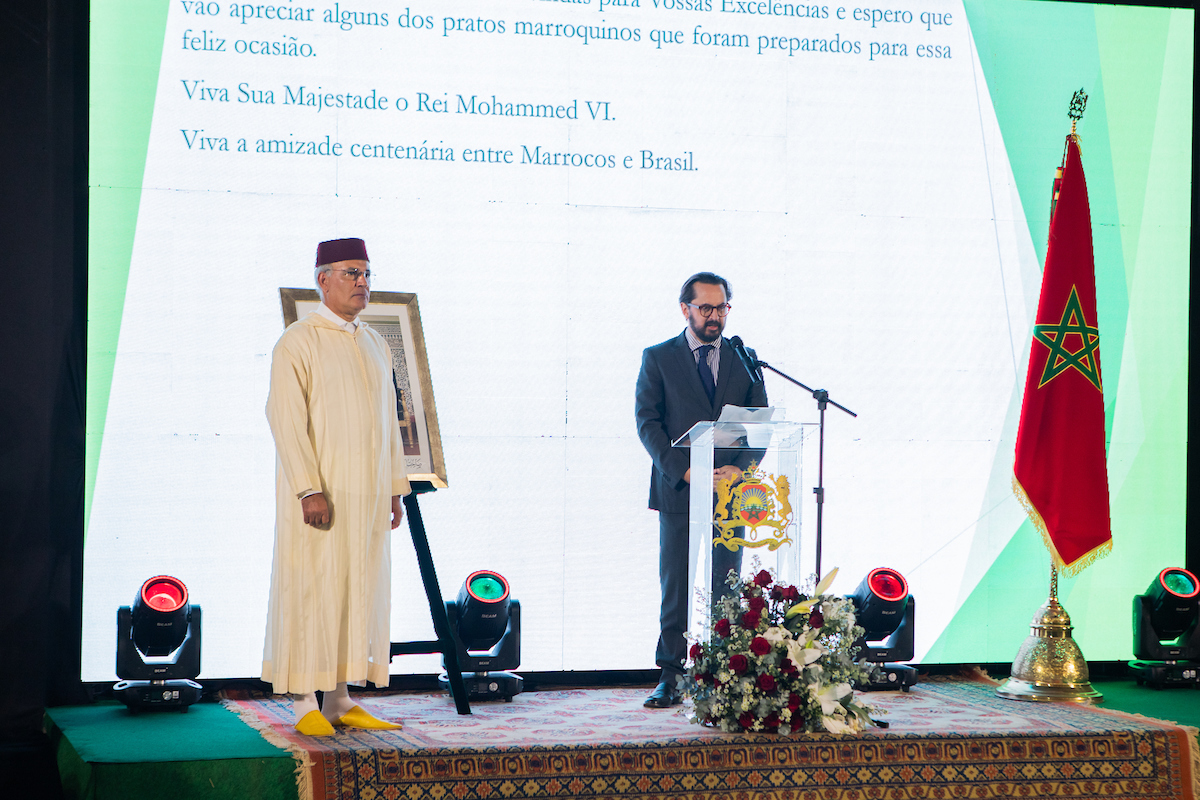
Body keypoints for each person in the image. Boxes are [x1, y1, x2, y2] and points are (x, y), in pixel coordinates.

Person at [263, 237, 411, 736]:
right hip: (321, 494)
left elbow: (389, 424)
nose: (362, 283)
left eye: (366, 273)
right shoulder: (299, 341)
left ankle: (341, 698)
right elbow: (285, 419)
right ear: (322, 279)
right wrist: (308, 489)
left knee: (358, 591)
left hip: (367, 496)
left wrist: (394, 489)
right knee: (314, 589)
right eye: (351, 273)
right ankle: (305, 699)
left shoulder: (373, 341)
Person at [635, 272, 768, 708]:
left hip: (731, 494)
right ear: (685, 309)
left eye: (722, 308)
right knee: (677, 586)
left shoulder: (742, 358)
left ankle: (721, 673)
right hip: (679, 490)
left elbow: (762, 425)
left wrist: (742, 469)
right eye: (706, 308)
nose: (715, 317)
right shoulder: (658, 358)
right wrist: (684, 471)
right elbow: (648, 424)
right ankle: (670, 676)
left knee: (725, 588)